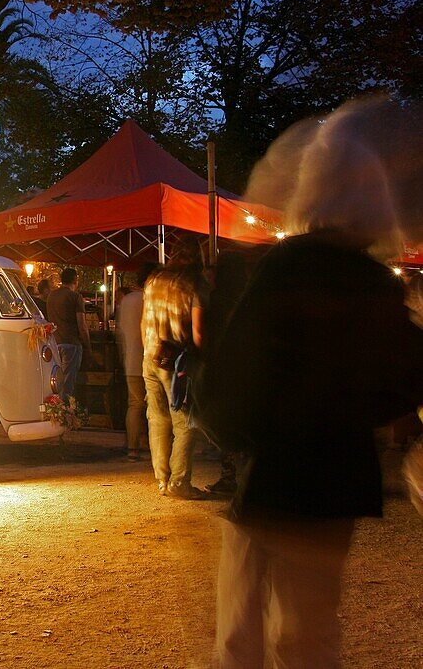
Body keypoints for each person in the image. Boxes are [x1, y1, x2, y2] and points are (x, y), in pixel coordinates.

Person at [198, 96, 423, 668]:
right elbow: (405, 378)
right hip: (336, 478)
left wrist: (234, 431)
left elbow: (236, 373)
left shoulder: (281, 269)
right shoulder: (380, 286)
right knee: (311, 630)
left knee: (241, 626)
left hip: (271, 471)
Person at [140, 238, 207, 499]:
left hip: (150, 356)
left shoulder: (154, 280)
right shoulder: (194, 283)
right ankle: (180, 483)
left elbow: (141, 322)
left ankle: (162, 479)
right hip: (176, 360)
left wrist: (147, 350)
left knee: (156, 419)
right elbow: (199, 333)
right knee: (186, 422)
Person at [198, 251, 250, 493]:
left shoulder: (217, 299)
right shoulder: (249, 296)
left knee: (229, 422)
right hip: (246, 368)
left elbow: (207, 335)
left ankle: (230, 476)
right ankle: (247, 474)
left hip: (225, 368)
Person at [116, 262, 157, 461]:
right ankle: (153, 446)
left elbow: (120, 332)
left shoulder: (127, 300)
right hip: (152, 358)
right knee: (156, 405)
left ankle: (132, 448)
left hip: (131, 359)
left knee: (135, 405)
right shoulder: (152, 298)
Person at [45, 267, 93, 401]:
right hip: (71, 343)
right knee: (67, 384)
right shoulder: (75, 297)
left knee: (55, 382)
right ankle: (65, 415)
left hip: (55, 343)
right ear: (75, 280)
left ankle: (56, 412)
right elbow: (82, 325)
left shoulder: (51, 296)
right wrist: (88, 348)